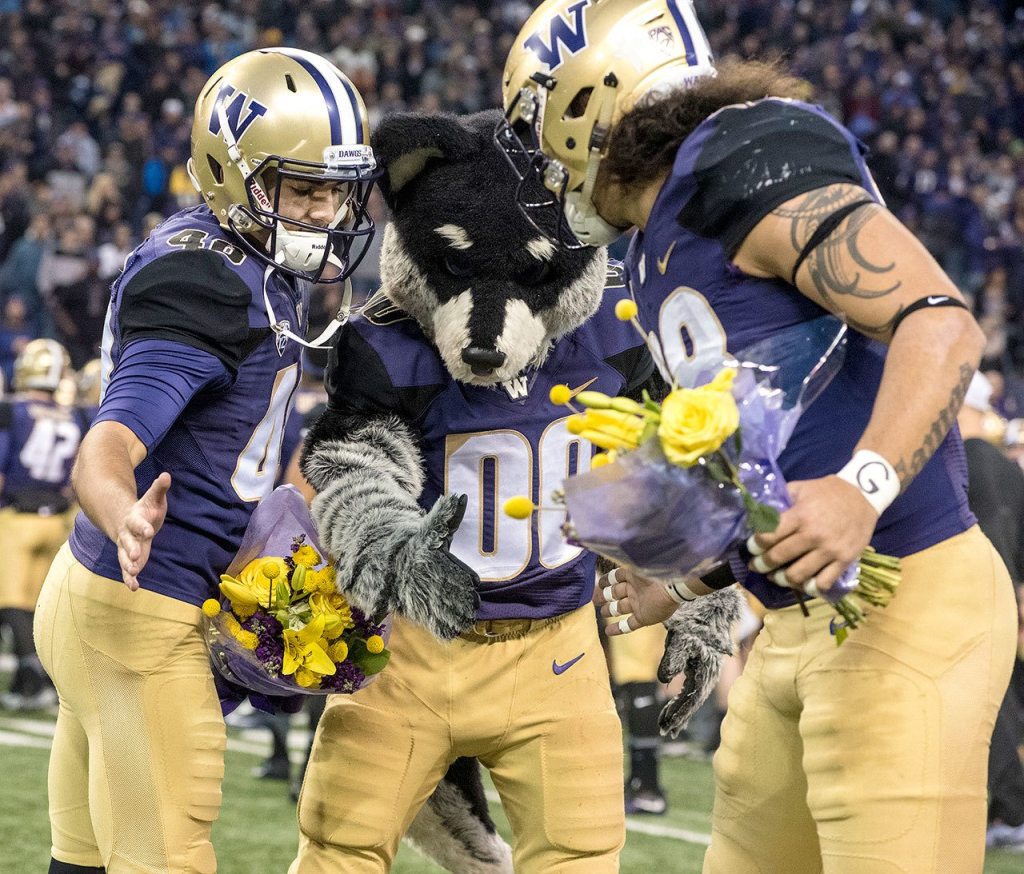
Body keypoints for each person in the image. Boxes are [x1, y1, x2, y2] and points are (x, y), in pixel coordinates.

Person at [500, 1, 1018, 871]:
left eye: (536, 129)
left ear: (586, 99)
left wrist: (863, 487)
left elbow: (939, 323)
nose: (538, 164)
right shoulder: (658, 244)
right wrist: (696, 567)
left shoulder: (736, 150)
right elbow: (775, 420)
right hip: (792, 621)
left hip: (903, 605)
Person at [31, 47, 378, 874]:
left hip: (100, 600)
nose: (325, 212)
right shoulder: (206, 283)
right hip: (138, 605)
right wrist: (123, 511)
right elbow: (107, 444)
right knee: (167, 857)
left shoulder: (246, 260)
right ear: (235, 175)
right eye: (302, 188)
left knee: (81, 862)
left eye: (335, 190)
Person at [957, 372, 1024, 851]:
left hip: (979, 603)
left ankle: (1011, 808)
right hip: (1005, 598)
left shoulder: (974, 459)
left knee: (993, 707)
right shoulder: (1005, 466)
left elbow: (995, 539)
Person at [0, 339, 86, 711]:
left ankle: (34, 681)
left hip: (17, 518)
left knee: (12, 604)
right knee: (38, 608)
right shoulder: (74, 416)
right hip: (56, 519)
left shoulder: (13, 411)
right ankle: (30, 683)